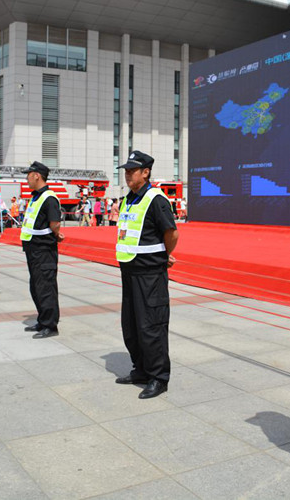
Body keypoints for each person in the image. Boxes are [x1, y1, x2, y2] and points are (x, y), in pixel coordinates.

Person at [115, 151, 179, 399]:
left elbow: (171, 233)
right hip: (129, 270)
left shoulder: (156, 199)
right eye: (126, 170)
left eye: (132, 170)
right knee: (131, 325)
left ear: (146, 172)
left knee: (151, 325)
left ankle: (158, 377)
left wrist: (163, 254)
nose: (128, 174)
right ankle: (141, 369)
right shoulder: (128, 200)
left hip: (150, 273)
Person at [20, 161, 64, 339]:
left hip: (44, 250)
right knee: (36, 287)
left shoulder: (49, 198)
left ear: (37, 175)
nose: (27, 179)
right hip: (33, 249)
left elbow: (55, 223)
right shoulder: (36, 197)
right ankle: (42, 319)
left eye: (28, 175)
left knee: (46, 288)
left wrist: (56, 234)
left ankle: (50, 325)